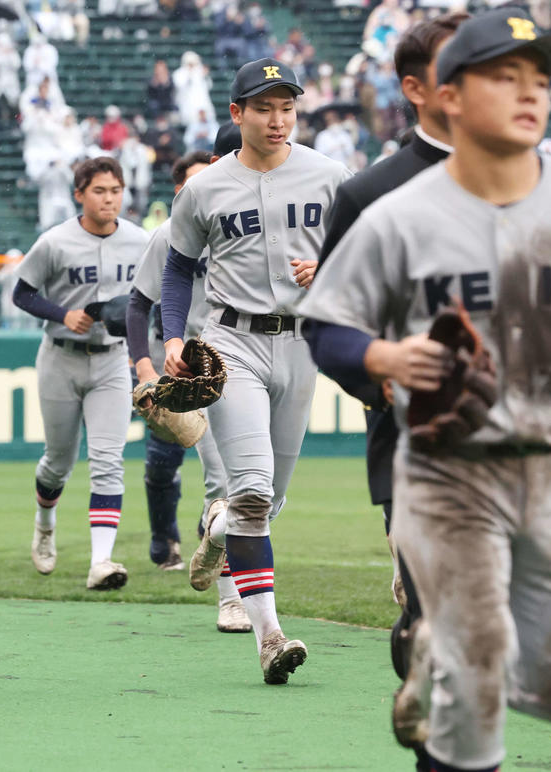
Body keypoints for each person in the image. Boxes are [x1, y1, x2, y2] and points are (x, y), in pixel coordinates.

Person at [300, 10, 551, 771]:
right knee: (472, 675)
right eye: (503, 77)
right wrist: (381, 355)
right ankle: (442, 671)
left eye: (539, 78)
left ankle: (435, 661)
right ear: (446, 94)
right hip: (448, 471)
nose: (530, 93)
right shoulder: (393, 211)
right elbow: (328, 328)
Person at [160, 58, 350, 685]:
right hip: (230, 342)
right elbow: (176, 266)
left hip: (301, 343)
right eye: (264, 106)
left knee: (267, 502)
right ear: (237, 113)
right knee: (254, 489)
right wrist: (170, 337)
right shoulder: (206, 187)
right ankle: (268, 635)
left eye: (287, 106)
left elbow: (365, 251)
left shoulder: (328, 175)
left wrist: (329, 271)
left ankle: (216, 527)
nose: (277, 118)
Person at [313, 14, 468, 769]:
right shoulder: (370, 193)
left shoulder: (544, 182)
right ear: (413, 88)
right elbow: (328, 327)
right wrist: (377, 371)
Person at [126, 137, 254, 634]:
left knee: (261, 490)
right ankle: (232, 598)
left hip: (253, 358)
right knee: (221, 480)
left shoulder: (254, 225)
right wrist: (143, 366)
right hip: (192, 368)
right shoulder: (175, 232)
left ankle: (216, 541)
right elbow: (139, 303)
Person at [10, 156, 150, 590]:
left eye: (115, 190)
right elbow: (21, 293)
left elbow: (151, 299)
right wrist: (61, 314)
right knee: (58, 462)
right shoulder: (55, 242)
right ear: (79, 195)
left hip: (112, 358)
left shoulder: (141, 241)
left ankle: (101, 562)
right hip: (61, 356)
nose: (109, 199)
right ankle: (45, 523)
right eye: (99, 191)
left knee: (108, 460)